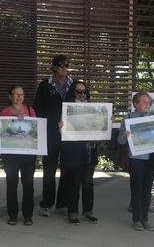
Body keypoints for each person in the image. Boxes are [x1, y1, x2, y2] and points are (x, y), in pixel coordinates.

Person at [34, 54, 74, 216]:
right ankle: (47, 204)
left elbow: (83, 107)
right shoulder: (45, 86)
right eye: (61, 65)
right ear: (54, 67)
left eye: (66, 66)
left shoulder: (75, 85)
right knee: (49, 170)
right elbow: (38, 110)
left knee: (67, 169)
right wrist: (50, 125)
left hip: (70, 136)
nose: (64, 69)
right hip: (51, 134)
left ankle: (62, 203)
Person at [59, 80, 99, 224]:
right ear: (73, 92)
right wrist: (61, 127)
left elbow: (99, 128)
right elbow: (63, 132)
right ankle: (73, 212)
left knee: (88, 183)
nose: (82, 94)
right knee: (74, 183)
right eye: (79, 91)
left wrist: (107, 122)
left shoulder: (94, 109)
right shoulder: (67, 109)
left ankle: (88, 211)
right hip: (74, 152)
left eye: (84, 91)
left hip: (89, 151)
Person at [118, 91, 154, 231]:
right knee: (136, 189)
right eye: (144, 102)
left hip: (150, 160)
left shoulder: (153, 118)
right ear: (135, 103)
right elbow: (120, 140)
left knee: (147, 190)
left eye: (148, 102)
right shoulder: (128, 119)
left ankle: (145, 219)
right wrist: (125, 136)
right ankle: (136, 220)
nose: (147, 104)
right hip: (135, 159)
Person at [0, 85, 36, 226]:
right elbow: (2, 134)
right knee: (11, 185)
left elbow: (35, 131)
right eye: (15, 94)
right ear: (10, 96)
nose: (19, 97)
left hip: (28, 154)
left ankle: (28, 215)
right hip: (10, 156)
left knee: (28, 185)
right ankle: (13, 215)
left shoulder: (30, 111)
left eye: (21, 94)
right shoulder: (4, 113)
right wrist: (15, 122)